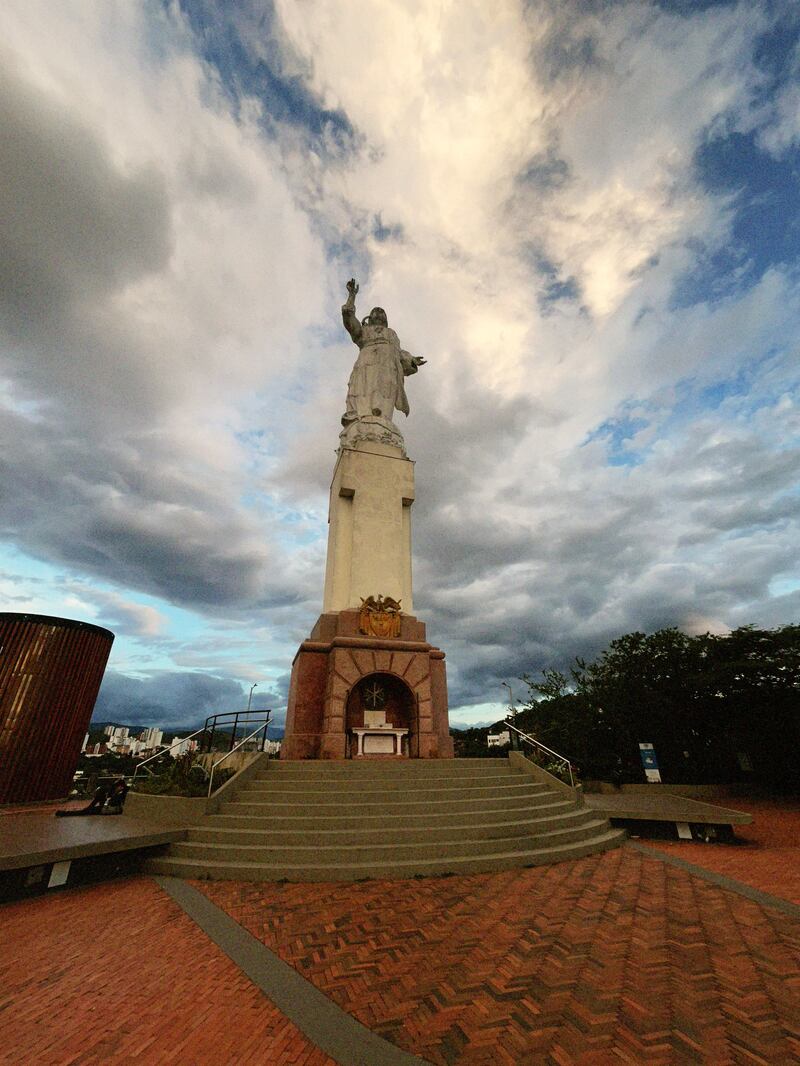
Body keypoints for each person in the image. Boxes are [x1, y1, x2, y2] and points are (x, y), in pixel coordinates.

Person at [341, 278, 426, 430]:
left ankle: (382, 421)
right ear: (370, 318)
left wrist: (412, 359)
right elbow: (349, 320)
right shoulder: (364, 331)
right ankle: (362, 420)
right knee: (364, 388)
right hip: (367, 364)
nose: (379, 314)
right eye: (375, 312)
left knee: (385, 391)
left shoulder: (391, 334)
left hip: (388, 367)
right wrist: (352, 296)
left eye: (382, 313)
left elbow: (399, 352)